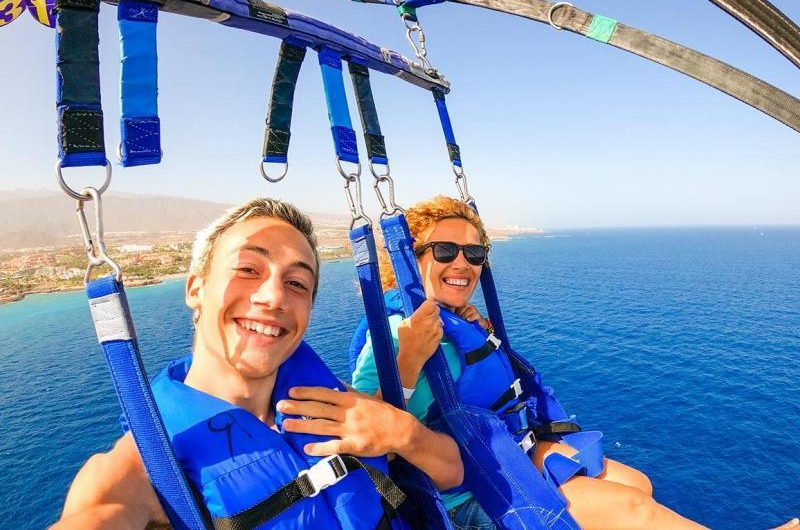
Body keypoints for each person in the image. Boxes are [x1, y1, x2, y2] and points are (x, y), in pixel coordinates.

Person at [351, 195, 799, 530]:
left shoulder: (456, 321)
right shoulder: (394, 333)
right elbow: (363, 440)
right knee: (633, 511)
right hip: (465, 493)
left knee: (639, 484)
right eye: (445, 251)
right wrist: (408, 360)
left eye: (474, 253)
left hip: (501, 452)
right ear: (412, 259)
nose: (463, 263)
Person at [54, 197, 463, 529]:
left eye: (296, 283)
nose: (274, 297)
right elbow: (99, 515)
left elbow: (453, 469)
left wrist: (404, 433)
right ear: (196, 289)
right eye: (249, 269)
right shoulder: (143, 468)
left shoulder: (330, 400)